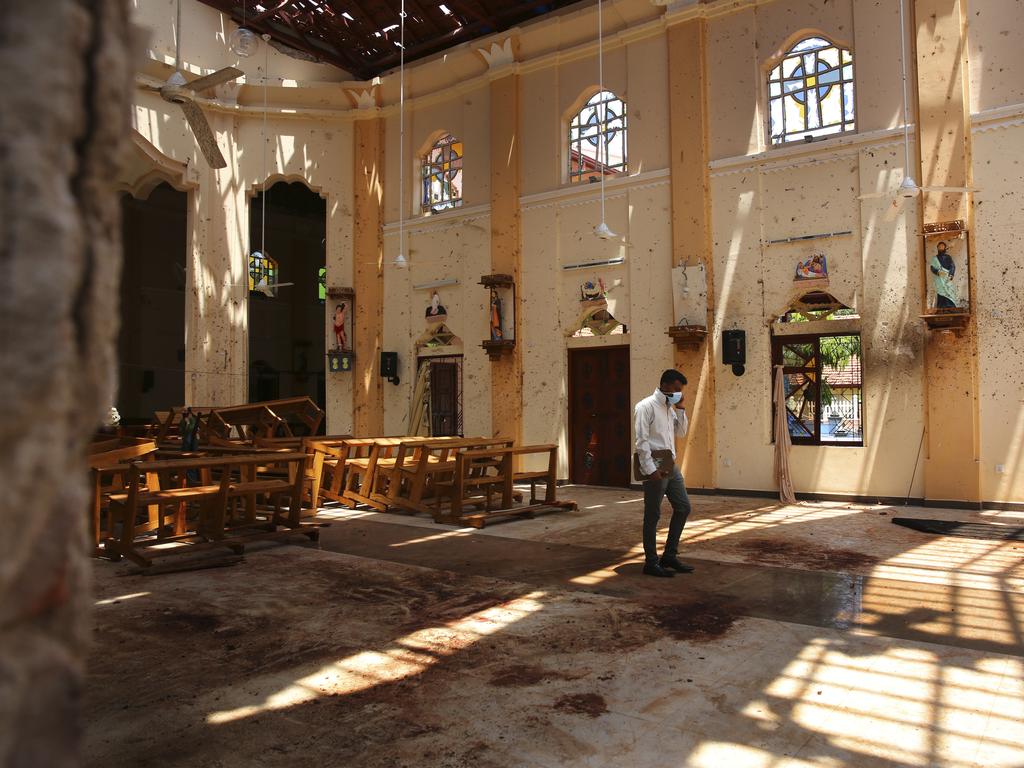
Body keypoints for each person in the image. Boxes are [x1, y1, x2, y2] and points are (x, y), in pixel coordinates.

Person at [634, 369, 693, 578]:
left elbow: (681, 432)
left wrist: (681, 407)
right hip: (654, 466)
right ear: (665, 385)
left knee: (684, 507)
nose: (679, 393)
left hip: (670, 463)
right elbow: (641, 442)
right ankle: (651, 562)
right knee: (653, 514)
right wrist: (650, 470)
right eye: (677, 389)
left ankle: (669, 556)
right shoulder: (645, 407)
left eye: (680, 391)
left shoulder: (669, 407)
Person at [930, 241, 958, 309]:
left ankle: (950, 305)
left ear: (945, 248)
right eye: (939, 246)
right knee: (941, 291)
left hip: (946, 277)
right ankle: (941, 306)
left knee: (949, 290)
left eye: (942, 246)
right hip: (939, 278)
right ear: (937, 248)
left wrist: (951, 274)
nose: (941, 248)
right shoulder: (935, 258)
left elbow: (952, 266)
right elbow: (932, 267)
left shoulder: (948, 257)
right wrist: (938, 272)